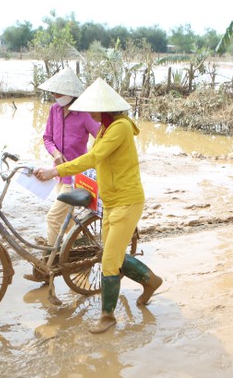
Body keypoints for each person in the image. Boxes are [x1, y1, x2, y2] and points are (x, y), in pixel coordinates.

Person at [33, 78, 163, 334]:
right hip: (111, 201)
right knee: (110, 254)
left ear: (102, 108)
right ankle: (151, 280)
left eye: (92, 107)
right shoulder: (105, 127)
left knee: (108, 261)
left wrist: (54, 171)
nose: (88, 111)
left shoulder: (120, 128)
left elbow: (93, 157)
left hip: (127, 201)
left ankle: (107, 317)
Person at [24, 67, 100, 283]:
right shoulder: (54, 111)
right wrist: (56, 153)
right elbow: (47, 137)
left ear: (71, 93)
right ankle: (84, 252)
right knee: (66, 223)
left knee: (53, 218)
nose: (56, 97)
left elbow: (101, 137)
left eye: (60, 93)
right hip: (58, 175)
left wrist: (95, 161)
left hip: (77, 178)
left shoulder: (85, 115)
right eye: (54, 93)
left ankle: (49, 266)